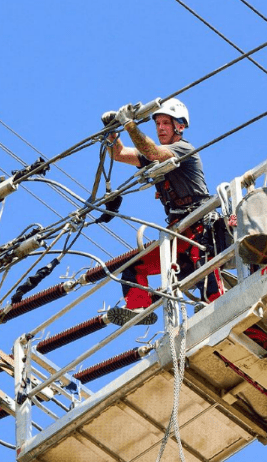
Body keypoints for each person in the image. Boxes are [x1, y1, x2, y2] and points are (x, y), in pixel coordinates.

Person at [99, 98, 225, 325]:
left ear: (180, 126)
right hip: (178, 230)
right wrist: (111, 132)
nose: (160, 128)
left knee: (204, 269)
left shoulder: (183, 149)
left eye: (166, 123)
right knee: (134, 267)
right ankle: (138, 307)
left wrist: (129, 125)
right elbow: (119, 154)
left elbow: (152, 152)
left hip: (199, 226)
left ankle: (222, 312)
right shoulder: (154, 156)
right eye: (157, 124)